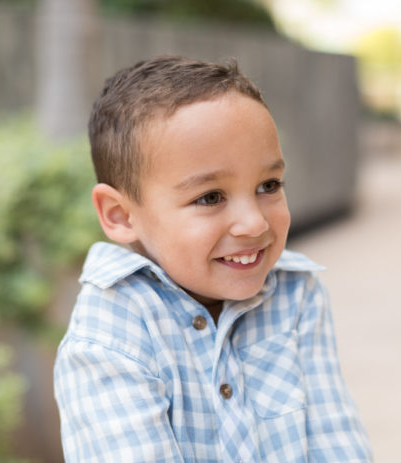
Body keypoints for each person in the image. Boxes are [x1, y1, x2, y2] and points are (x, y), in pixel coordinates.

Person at [54, 55, 373, 462]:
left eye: (269, 184)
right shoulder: (110, 333)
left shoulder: (297, 293)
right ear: (120, 216)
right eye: (210, 197)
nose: (254, 223)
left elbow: (335, 438)